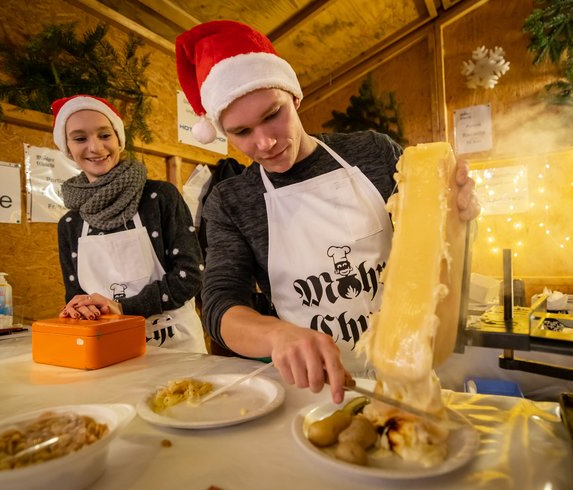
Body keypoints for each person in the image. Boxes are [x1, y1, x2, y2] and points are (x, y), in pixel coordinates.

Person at [175, 21, 479, 401]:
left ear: (295, 97)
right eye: (242, 132)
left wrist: (458, 215)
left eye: (273, 115)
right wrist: (275, 334)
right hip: (315, 389)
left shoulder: (373, 153)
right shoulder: (233, 200)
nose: (265, 142)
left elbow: (434, 243)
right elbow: (220, 305)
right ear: (223, 131)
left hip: (417, 374)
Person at [53, 94, 207, 353]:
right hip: (110, 350)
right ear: (68, 148)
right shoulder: (70, 223)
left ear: (119, 140)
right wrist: (79, 309)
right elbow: (76, 294)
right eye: (80, 138)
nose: (95, 147)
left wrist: (125, 309)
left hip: (176, 349)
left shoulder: (159, 198)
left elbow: (190, 276)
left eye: (104, 135)